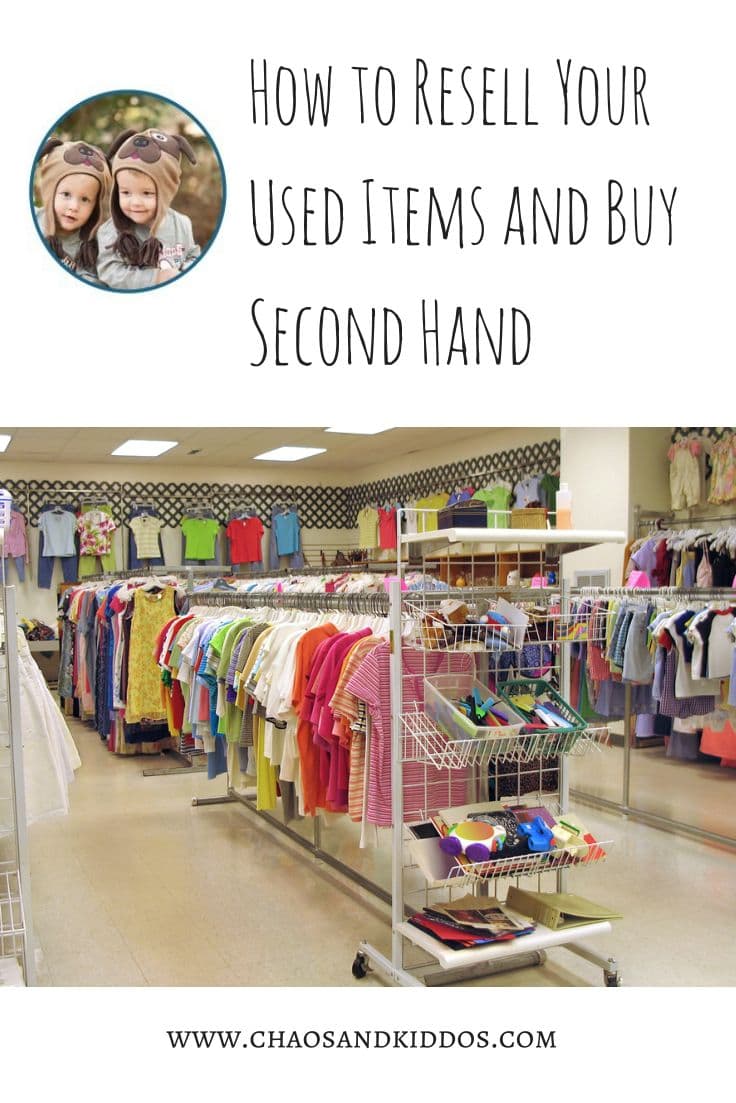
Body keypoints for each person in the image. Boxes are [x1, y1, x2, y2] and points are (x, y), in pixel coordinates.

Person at [97, 128, 201, 290]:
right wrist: (156, 278)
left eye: (147, 193)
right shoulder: (110, 232)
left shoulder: (182, 224)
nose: (135, 202)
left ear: (167, 192)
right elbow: (109, 271)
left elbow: (192, 254)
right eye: (126, 192)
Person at [34, 138, 111, 282]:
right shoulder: (34, 218)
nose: (74, 207)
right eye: (66, 194)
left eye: (85, 199)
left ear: (95, 206)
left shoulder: (92, 249)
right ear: (51, 191)